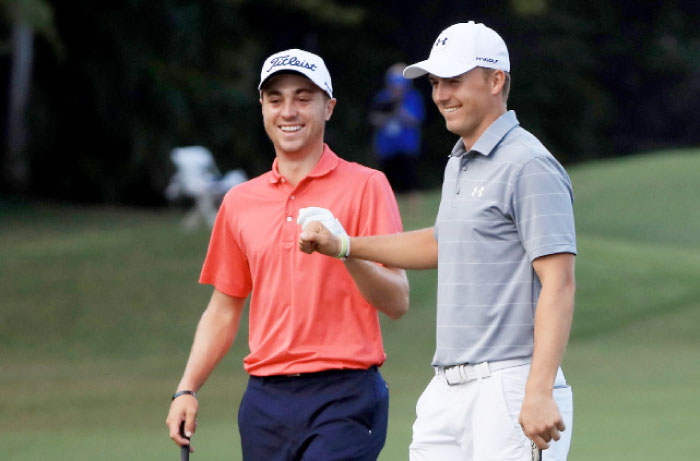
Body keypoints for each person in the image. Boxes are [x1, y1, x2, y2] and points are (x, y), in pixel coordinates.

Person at [299, 22, 576, 461]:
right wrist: (346, 245)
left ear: (495, 79)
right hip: (447, 389)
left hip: (510, 385)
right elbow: (441, 244)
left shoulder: (529, 165)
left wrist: (539, 390)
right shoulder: (459, 162)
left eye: (454, 81)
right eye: (435, 83)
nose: (441, 94)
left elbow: (558, 282)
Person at [166, 48, 409, 460]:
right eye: (276, 99)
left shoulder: (367, 186)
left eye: (303, 97)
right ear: (262, 107)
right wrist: (186, 388)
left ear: (328, 107)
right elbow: (225, 308)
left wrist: (345, 249)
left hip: (345, 395)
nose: (289, 111)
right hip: (265, 401)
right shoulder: (240, 201)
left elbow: (397, 300)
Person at [369, 62, 425, 195]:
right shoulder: (382, 97)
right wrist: (387, 115)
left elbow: (415, 120)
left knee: (409, 183)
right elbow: (373, 118)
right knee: (388, 187)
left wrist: (399, 108)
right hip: (386, 149)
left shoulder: (413, 97)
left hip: (406, 148)